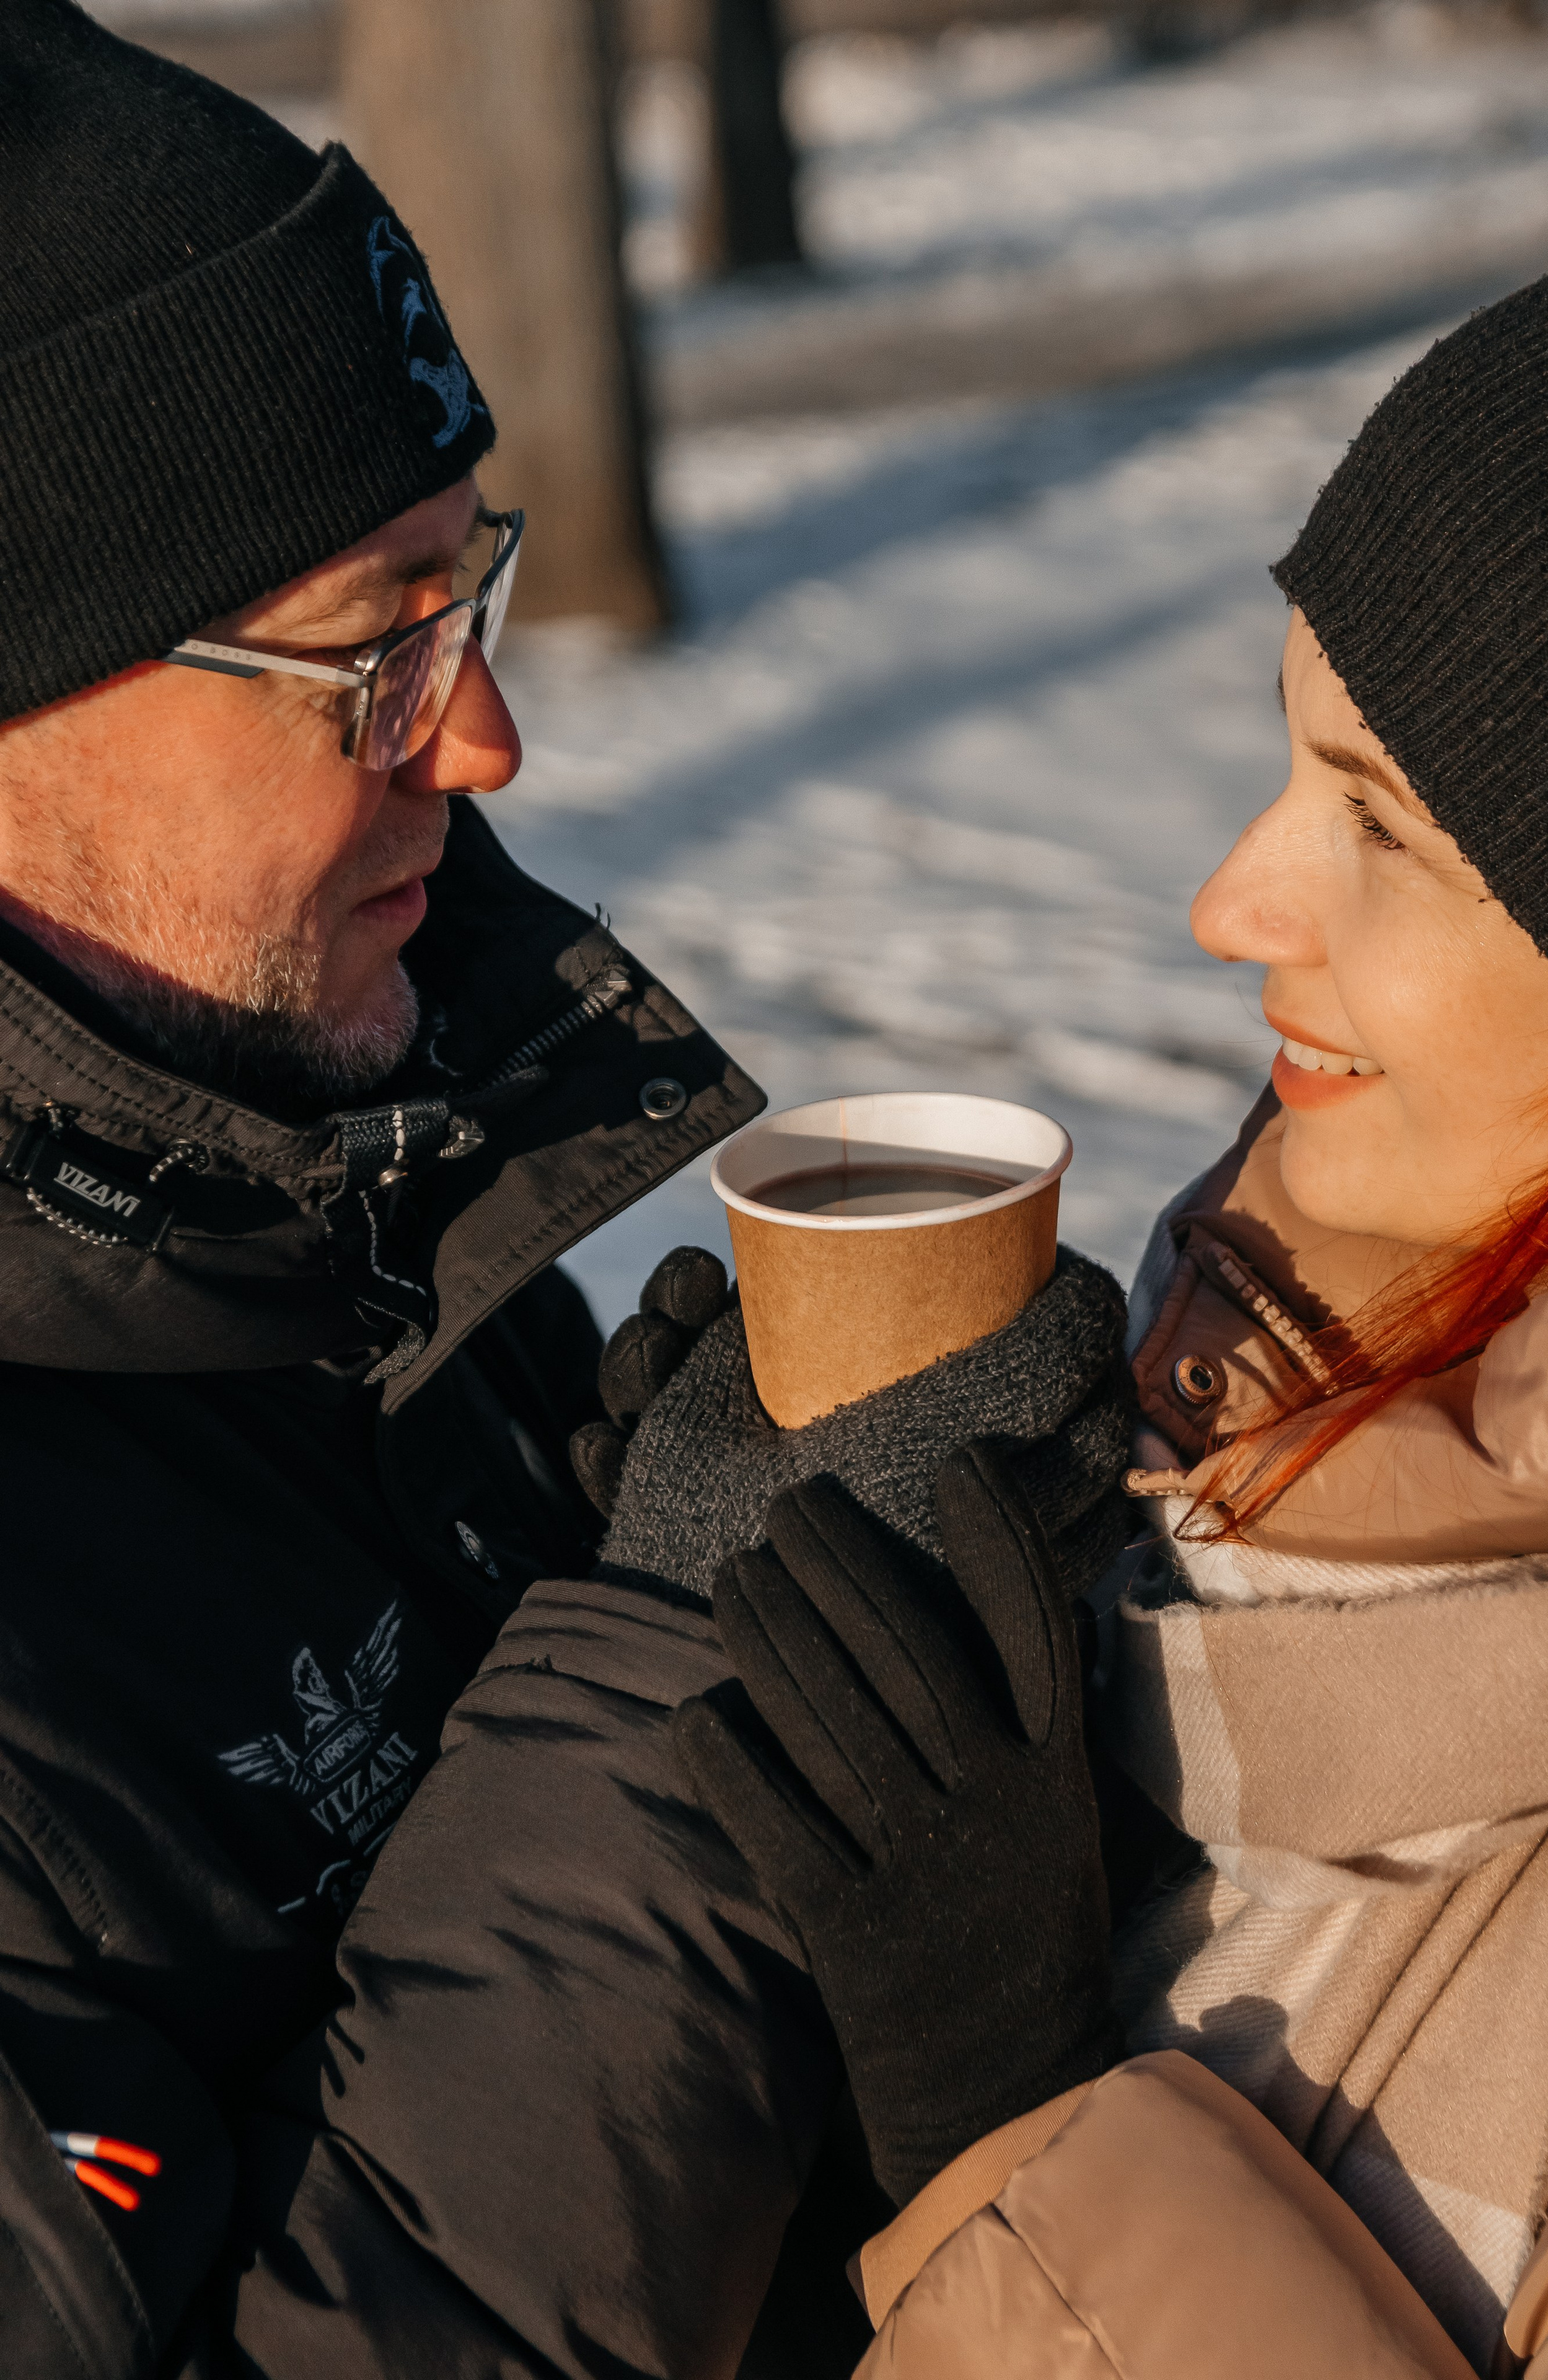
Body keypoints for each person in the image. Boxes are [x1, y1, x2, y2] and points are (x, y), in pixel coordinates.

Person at [0, 7, 1137, 2373]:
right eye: (369, 651)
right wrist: (647, 1726)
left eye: (469, 584)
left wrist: (922, 1990)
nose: (491, 733)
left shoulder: (320, 1150)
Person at [675, 257, 1548, 2380]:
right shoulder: (1255, 1459)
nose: (1231, 904)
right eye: (1292, 767)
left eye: (1381, 821)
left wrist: (1021, 2119)